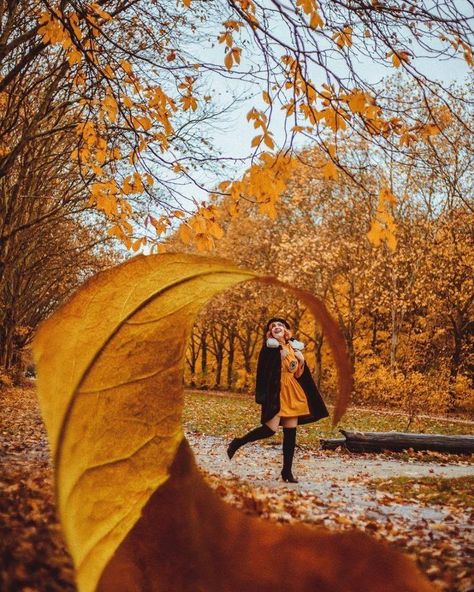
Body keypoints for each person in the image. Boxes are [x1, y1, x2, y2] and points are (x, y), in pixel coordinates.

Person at [227, 317, 329, 483]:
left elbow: (297, 374)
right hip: (276, 391)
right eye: (272, 326)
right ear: (270, 332)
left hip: (293, 392)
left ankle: (286, 472)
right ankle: (238, 442)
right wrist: (278, 358)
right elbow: (264, 372)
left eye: (279, 325)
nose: (276, 327)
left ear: (286, 330)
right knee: (270, 429)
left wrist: (301, 361)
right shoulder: (269, 349)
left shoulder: (293, 347)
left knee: (290, 433)